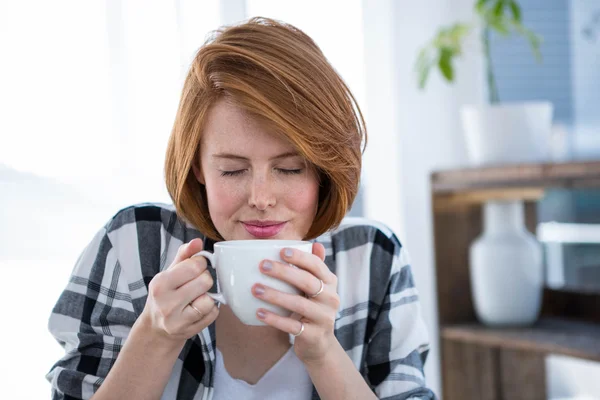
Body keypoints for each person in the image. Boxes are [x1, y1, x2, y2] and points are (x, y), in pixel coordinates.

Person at [46, 17, 436, 400]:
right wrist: (156, 335)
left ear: (323, 169)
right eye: (232, 170)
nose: (261, 198)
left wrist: (323, 353)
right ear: (198, 166)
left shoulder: (373, 259)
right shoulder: (134, 244)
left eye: (289, 168)